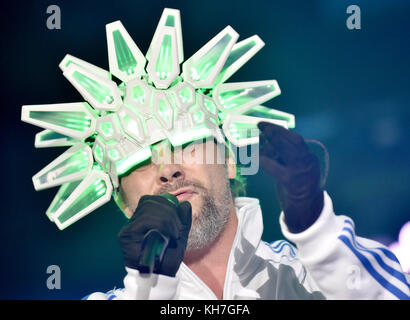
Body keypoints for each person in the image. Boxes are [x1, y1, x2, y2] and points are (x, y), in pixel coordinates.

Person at [83, 122, 410, 300]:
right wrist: (151, 289)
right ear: (123, 204)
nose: (168, 168)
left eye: (187, 142)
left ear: (227, 161)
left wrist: (317, 231)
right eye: (139, 160)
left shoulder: (309, 277)